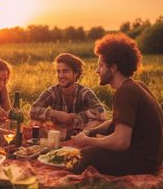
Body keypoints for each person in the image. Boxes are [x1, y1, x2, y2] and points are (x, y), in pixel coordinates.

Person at [72, 33, 163, 176]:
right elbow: (115, 123)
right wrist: (90, 132)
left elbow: (121, 142)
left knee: (83, 156)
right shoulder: (136, 85)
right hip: (152, 158)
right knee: (98, 142)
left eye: (101, 65)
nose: (97, 71)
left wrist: (88, 141)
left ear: (113, 67)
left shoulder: (125, 92)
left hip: (143, 163)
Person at [30, 53, 106, 135]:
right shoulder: (52, 92)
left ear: (76, 73)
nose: (61, 75)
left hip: (80, 132)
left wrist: (77, 118)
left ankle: (73, 138)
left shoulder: (84, 92)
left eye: (65, 71)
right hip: (57, 133)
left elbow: (101, 113)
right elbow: (33, 111)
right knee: (35, 122)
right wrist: (57, 114)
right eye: (58, 72)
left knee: (98, 122)